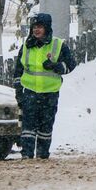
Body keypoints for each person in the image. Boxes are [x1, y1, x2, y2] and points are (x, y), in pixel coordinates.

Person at [13, 12, 78, 158]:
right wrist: (18, 90)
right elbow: (18, 70)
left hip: (50, 93)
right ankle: (27, 155)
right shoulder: (26, 46)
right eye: (34, 27)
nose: (36, 30)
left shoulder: (58, 45)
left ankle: (42, 155)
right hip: (30, 92)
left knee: (45, 126)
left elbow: (71, 65)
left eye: (40, 27)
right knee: (28, 126)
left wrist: (56, 66)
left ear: (47, 28)